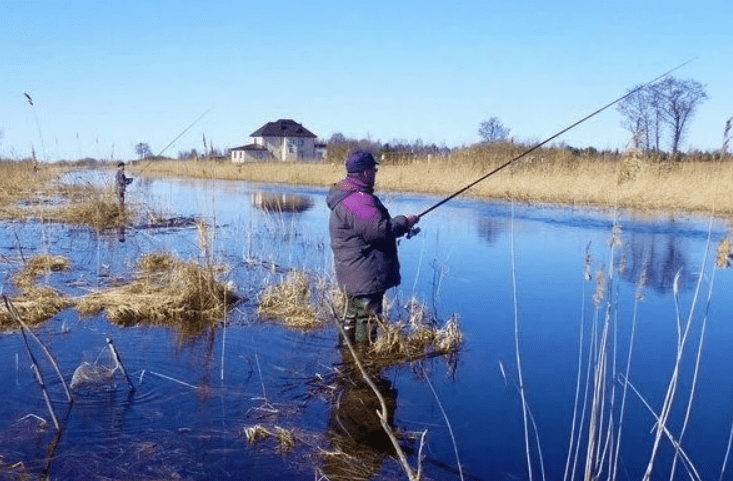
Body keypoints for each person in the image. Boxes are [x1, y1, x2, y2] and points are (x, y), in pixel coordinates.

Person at [326, 150, 419, 345]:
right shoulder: (358, 200)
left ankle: (347, 357)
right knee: (367, 319)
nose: (375, 173)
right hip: (366, 272)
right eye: (374, 169)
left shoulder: (348, 195)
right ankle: (363, 359)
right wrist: (404, 221)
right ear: (365, 172)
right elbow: (380, 231)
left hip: (354, 271)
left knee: (353, 314)